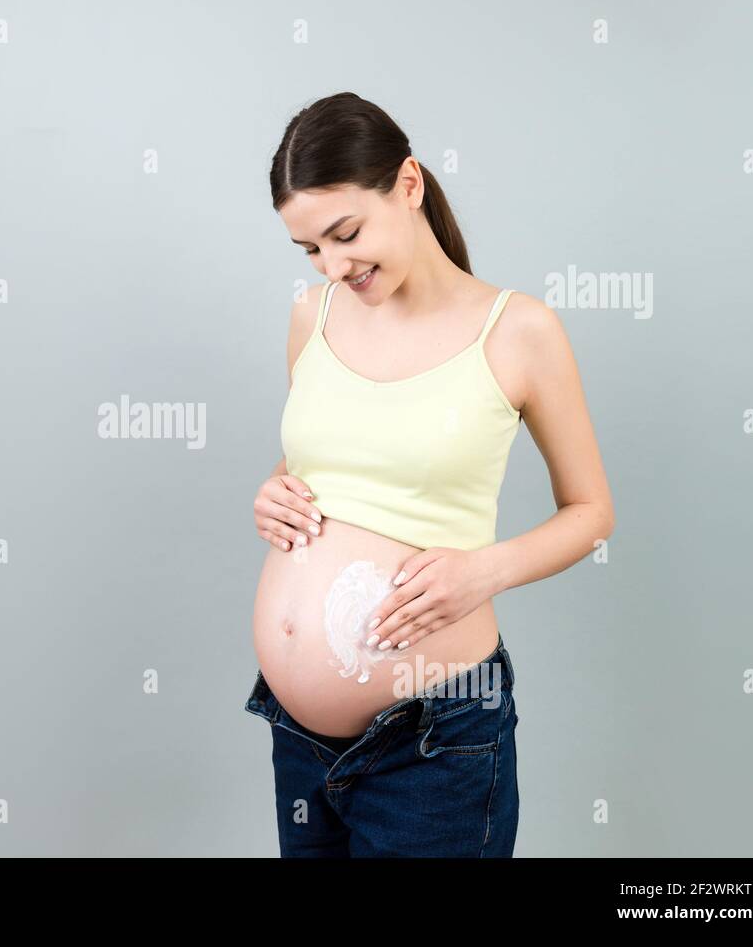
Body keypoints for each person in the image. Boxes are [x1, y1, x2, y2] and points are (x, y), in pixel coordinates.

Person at [246, 92, 615, 857]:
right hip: (297, 741)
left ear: (407, 184)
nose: (333, 266)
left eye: (345, 234)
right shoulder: (308, 316)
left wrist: (483, 572)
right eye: (310, 249)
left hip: (432, 744)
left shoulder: (518, 331)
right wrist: (275, 488)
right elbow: (329, 454)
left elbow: (591, 511)